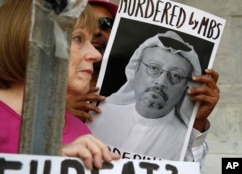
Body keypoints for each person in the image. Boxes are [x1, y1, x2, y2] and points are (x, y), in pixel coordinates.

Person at [66, 0, 219, 167]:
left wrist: (196, 122)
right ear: (135, 71)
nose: (95, 31)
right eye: (80, 34)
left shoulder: (177, 128)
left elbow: (189, 167)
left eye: (105, 24)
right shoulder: (47, 95)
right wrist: (62, 115)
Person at [0, 0, 120, 170]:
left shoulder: (81, 132)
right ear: (33, 39)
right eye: (78, 38)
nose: (95, 54)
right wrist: (42, 165)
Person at [86, 30, 220, 162]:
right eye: (154, 68)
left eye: (175, 76)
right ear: (135, 70)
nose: (161, 82)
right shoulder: (94, 114)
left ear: (186, 87)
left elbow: (192, 167)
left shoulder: (185, 137)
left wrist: (197, 123)